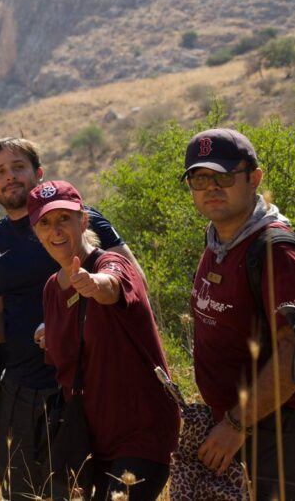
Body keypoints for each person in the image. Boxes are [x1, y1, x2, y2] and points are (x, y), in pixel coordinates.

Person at [0, 137, 143, 500]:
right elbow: (0, 320)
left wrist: (68, 325)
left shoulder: (81, 217)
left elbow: (133, 282)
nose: (11, 177)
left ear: (38, 172)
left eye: (18, 167)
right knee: (20, 492)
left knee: (80, 490)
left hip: (84, 385)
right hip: (19, 387)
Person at [184, 128, 295, 501]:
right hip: (236, 425)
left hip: (276, 427)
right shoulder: (218, 242)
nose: (211, 187)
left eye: (224, 176)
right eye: (200, 178)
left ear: (254, 179)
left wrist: (235, 425)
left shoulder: (276, 252)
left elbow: (292, 357)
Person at [30, 180, 178, 501]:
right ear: (35, 232)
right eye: (45, 223)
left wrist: (92, 283)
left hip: (141, 432)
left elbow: (112, 286)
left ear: (83, 221)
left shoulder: (111, 263)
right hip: (90, 440)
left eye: (64, 219)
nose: (55, 230)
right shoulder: (52, 290)